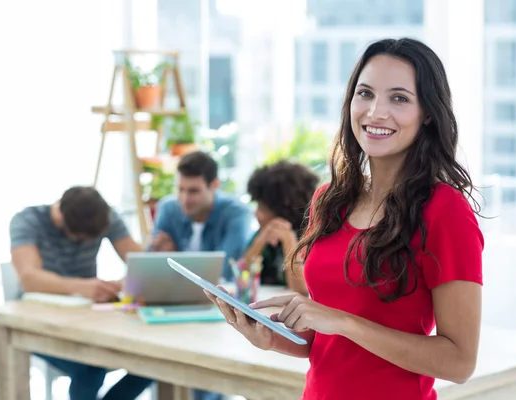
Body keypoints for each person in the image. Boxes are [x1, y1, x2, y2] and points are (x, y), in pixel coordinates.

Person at [205, 37, 484, 400]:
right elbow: (329, 344)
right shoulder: (330, 200)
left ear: (428, 113)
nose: (375, 112)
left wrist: (343, 322)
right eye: (365, 93)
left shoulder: (445, 211)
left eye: (399, 98)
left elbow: (459, 362)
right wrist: (272, 338)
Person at [9, 186, 152, 399]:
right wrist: (81, 286)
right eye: (80, 238)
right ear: (61, 215)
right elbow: (29, 279)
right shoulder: (27, 221)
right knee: (90, 371)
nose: (86, 243)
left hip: (88, 319)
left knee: (152, 361)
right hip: (39, 323)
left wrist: (125, 282)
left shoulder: (105, 217)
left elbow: (142, 264)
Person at [150, 150, 253, 282]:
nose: (184, 199)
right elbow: (150, 268)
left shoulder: (237, 213)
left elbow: (226, 271)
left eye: (194, 191)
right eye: (180, 190)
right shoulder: (168, 208)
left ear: (214, 185)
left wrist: (174, 258)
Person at [241, 160, 319, 294]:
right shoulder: (264, 232)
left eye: (263, 208)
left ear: (283, 207)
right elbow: (243, 274)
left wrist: (289, 242)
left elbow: (302, 290)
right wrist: (260, 241)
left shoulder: (314, 235)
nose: (257, 213)